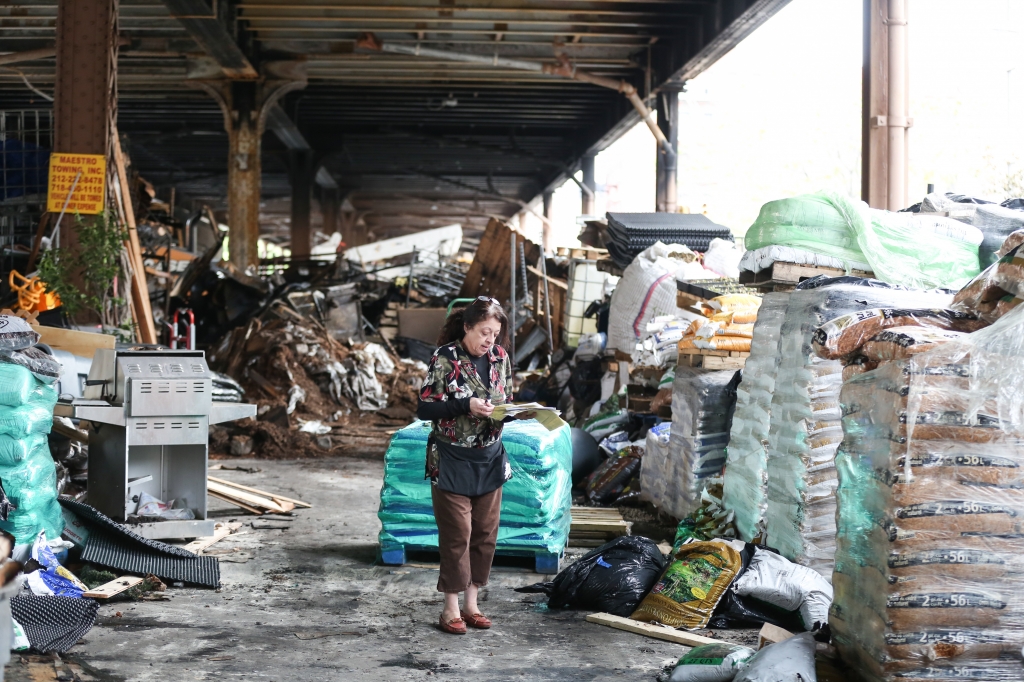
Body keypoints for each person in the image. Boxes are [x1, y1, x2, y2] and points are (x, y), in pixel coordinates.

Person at [416, 296, 528, 635]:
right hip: (451, 458)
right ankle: (450, 607)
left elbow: (505, 399)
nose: (489, 341)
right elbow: (425, 408)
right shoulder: (445, 359)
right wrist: (466, 404)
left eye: (495, 334)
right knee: (457, 535)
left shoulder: (500, 358)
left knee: (484, 533)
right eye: (483, 332)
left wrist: (511, 411)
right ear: (466, 327)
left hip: (489, 456)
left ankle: (472, 603)